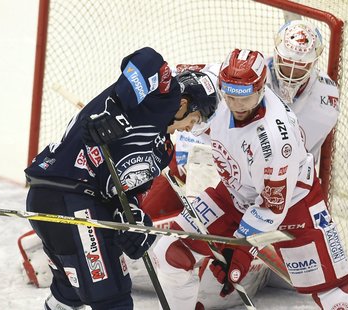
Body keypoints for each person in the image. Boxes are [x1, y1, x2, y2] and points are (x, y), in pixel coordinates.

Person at [151, 48, 348, 310]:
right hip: (235, 193)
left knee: (337, 295)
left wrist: (243, 247)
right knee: (169, 252)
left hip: (293, 204)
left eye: (245, 98)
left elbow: (272, 206)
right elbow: (169, 85)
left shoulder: (275, 140)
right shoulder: (210, 84)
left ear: (261, 89)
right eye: (231, 96)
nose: (237, 106)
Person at [24, 47, 219, 310]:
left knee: (68, 293)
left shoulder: (163, 150)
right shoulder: (163, 96)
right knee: (113, 299)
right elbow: (147, 60)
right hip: (70, 195)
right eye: (194, 119)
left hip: (70, 204)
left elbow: (128, 195)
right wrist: (115, 108)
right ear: (184, 105)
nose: (190, 129)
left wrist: (135, 222)